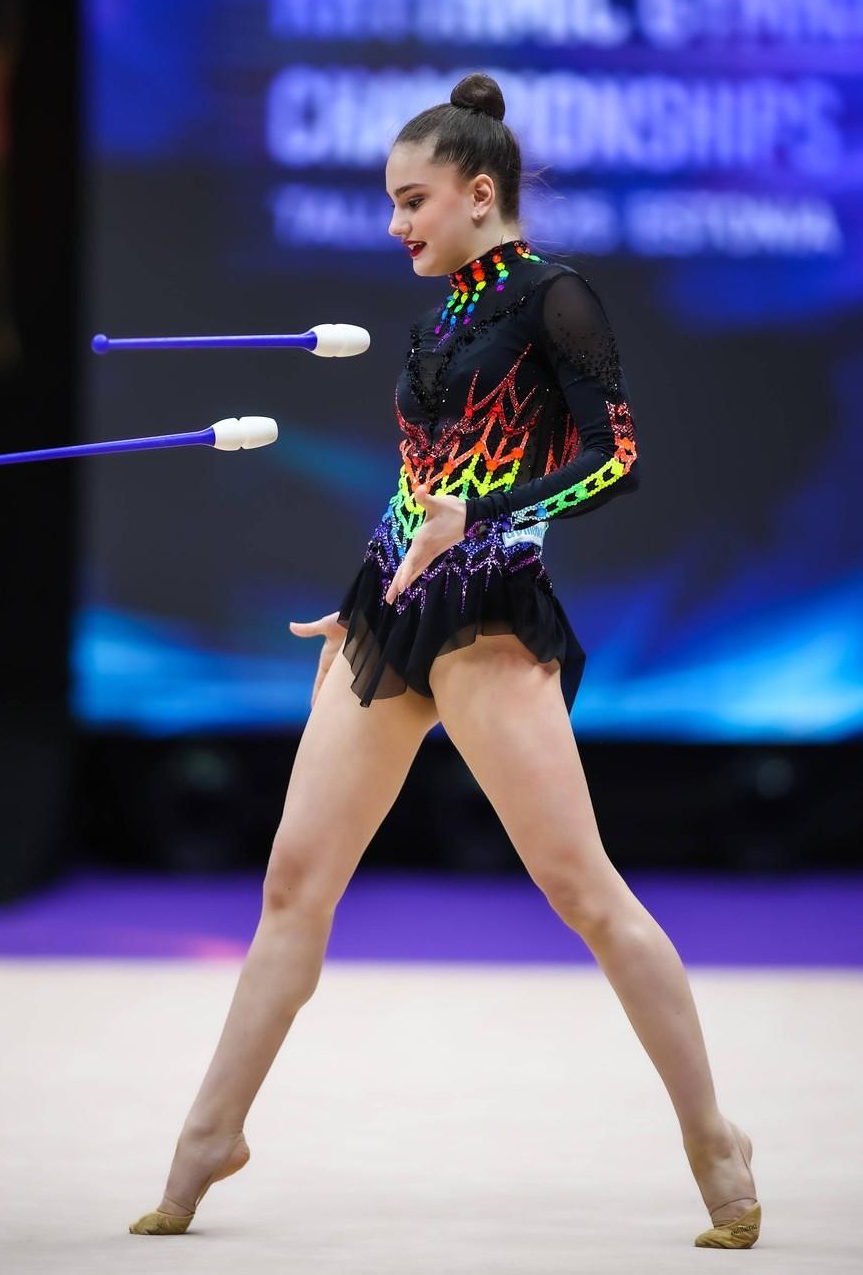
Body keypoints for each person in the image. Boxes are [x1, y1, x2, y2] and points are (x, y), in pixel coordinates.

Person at [129, 73, 761, 1249]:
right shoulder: (435, 326)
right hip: (393, 613)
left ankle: (714, 1137)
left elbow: (613, 456)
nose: (395, 223)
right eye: (390, 202)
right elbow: (419, 487)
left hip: (487, 618)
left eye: (412, 199)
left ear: (480, 192)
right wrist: (359, 599)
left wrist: (482, 516)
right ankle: (210, 1134)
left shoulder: (556, 298)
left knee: (583, 890)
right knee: (292, 883)